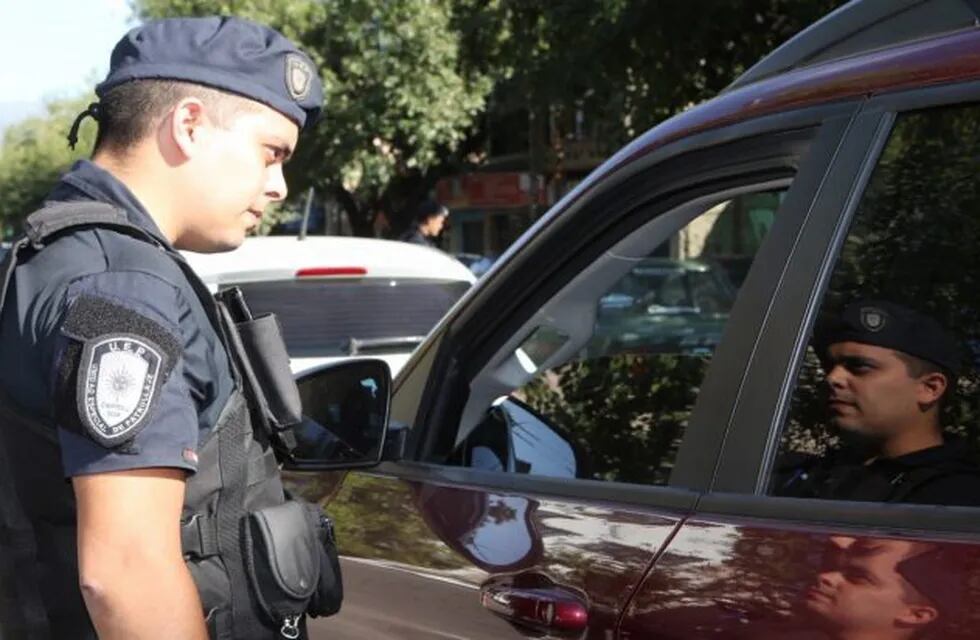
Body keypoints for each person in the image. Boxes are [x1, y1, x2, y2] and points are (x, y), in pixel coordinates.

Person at [0, 16, 333, 639]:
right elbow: (128, 573)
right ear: (188, 125)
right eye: (271, 154)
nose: (279, 186)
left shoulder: (66, 255)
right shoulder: (121, 285)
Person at [776, 300, 980, 505]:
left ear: (930, 388)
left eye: (859, 366)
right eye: (830, 366)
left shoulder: (960, 498)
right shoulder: (794, 475)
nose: (832, 378)